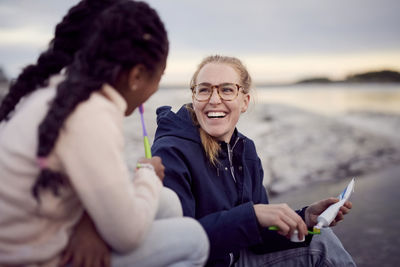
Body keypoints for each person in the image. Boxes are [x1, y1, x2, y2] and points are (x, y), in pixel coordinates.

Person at [0, 1, 209, 266]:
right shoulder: (91, 113)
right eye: (159, 76)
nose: (155, 89)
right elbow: (127, 235)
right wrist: (148, 175)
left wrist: (90, 223)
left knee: (166, 201)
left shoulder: (63, 94)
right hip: (36, 257)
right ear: (136, 76)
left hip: (42, 232)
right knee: (194, 239)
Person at [152, 55, 356, 266]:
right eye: (204, 89)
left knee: (320, 239)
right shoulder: (171, 151)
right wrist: (251, 216)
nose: (214, 99)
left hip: (239, 259)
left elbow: (257, 237)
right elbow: (175, 245)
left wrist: (304, 218)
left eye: (227, 89)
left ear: (245, 101)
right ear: (194, 97)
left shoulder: (245, 149)